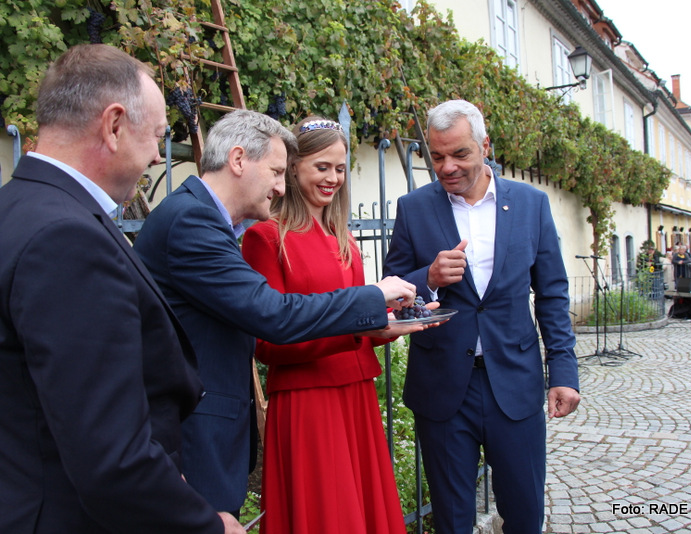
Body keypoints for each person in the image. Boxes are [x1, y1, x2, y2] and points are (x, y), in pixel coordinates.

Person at [0, 44, 243, 533]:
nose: (157, 155)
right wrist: (207, 526)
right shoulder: (66, 239)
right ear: (113, 125)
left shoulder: (17, 207)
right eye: (156, 135)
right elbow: (111, 457)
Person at [133, 109, 418, 517]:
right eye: (277, 172)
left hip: (230, 420)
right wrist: (371, 299)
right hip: (206, 427)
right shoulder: (194, 221)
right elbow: (273, 317)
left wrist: (376, 323)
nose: (282, 187)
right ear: (238, 160)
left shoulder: (206, 221)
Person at [383, 99, 580, 534]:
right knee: (452, 520)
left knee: (525, 515)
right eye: (437, 157)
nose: (447, 167)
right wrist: (428, 278)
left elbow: (552, 294)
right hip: (442, 388)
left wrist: (563, 372)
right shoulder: (414, 208)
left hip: (515, 383)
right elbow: (391, 290)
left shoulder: (530, 204)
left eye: (460, 154)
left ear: (484, 145)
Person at [241, 116, 423, 534]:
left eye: (340, 168)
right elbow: (267, 343)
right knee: (327, 515)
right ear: (293, 168)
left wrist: (386, 327)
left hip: (356, 396)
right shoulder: (266, 238)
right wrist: (359, 328)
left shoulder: (345, 241)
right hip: (308, 400)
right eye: (321, 167)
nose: (333, 178)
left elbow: (354, 327)